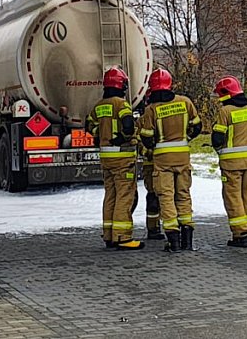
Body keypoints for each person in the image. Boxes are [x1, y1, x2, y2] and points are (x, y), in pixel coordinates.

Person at [138, 68, 202, 252]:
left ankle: (173, 240)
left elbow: (147, 137)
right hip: (182, 157)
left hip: (162, 160)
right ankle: (187, 241)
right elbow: (197, 126)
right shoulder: (185, 102)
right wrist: (185, 139)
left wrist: (154, 146)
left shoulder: (152, 109)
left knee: (166, 197)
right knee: (183, 194)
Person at [86, 67, 144, 250]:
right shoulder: (121, 104)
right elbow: (128, 125)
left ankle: (109, 235)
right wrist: (124, 136)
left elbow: (89, 125)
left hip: (106, 158)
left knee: (110, 195)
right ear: (122, 85)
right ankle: (122, 237)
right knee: (124, 196)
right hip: (122, 158)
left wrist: (100, 135)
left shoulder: (99, 106)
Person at [212, 76, 247, 247]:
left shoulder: (226, 111)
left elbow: (217, 138)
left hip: (231, 164)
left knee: (233, 197)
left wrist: (222, 149)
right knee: (246, 195)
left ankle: (240, 233)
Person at [136, 92, 164, 240]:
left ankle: (170, 226)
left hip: (164, 164)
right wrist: (151, 153)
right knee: (153, 197)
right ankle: (153, 228)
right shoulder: (141, 121)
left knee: (166, 196)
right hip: (151, 165)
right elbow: (139, 143)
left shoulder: (165, 116)